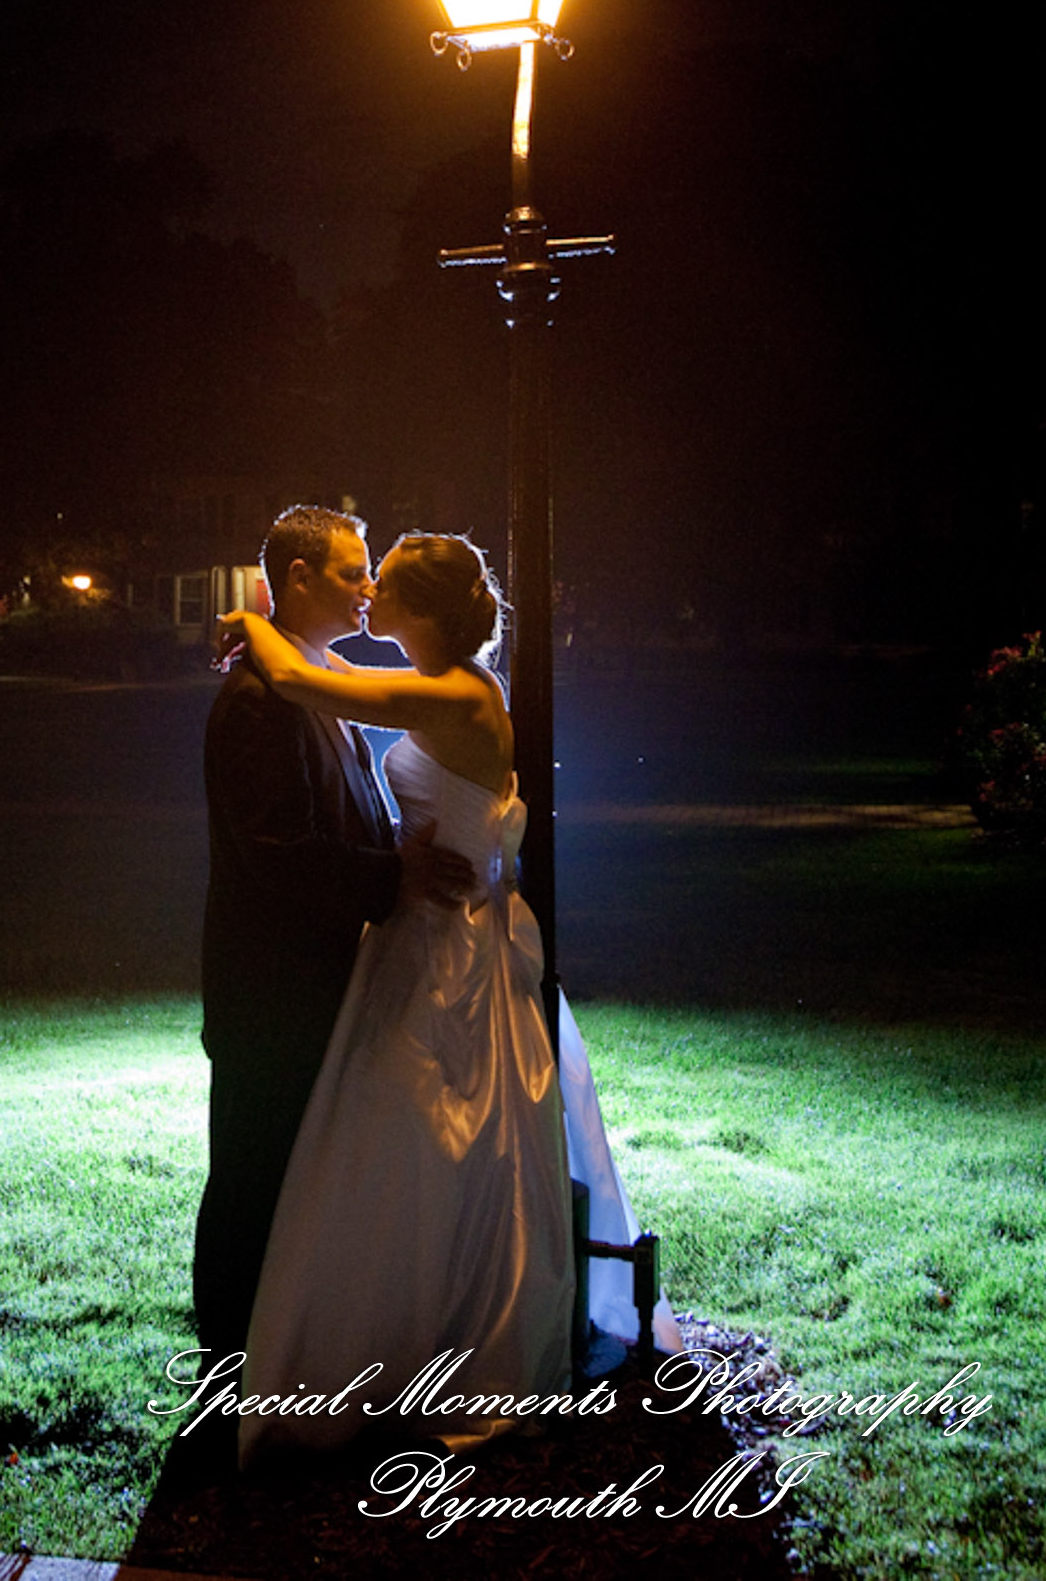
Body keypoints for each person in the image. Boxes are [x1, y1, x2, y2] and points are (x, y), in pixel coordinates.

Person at [217, 531, 680, 1469]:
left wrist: (246, 618)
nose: (367, 593)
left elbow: (305, 679)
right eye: (361, 576)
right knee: (409, 1141)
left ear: (419, 610)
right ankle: (402, 1331)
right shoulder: (442, 684)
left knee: (433, 1135)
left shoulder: (459, 695)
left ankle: (431, 1339)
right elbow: (334, 679)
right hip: (421, 933)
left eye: (380, 582)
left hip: (452, 950)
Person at [193, 506, 473, 1372]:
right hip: (271, 989)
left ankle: (289, 1351)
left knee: (299, 1177)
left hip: (325, 981)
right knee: (251, 1178)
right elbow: (276, 851)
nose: (367, 588)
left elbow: (345, 812)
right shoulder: (257, 699)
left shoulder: (315, 678)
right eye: (354, 572)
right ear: (299, 576)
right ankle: (228, 1366)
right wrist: (395, 877)